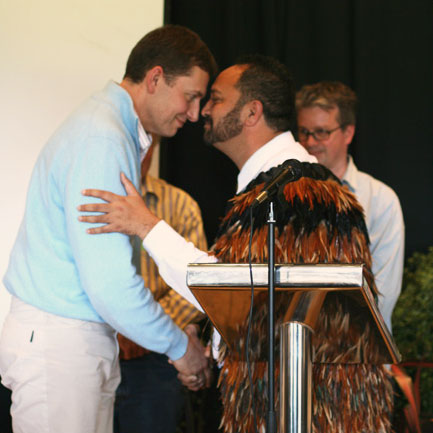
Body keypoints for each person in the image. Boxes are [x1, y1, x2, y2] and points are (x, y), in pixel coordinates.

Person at [78, 56, 394, 433]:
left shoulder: (299, 190)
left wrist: (147, 226)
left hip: (311, 412)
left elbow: (239, 293)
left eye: (215, 99)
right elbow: (253, 299)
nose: (201, 112)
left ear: (251, 112)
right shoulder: (276, 186)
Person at [0, 25, 217, 433]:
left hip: (72, 343)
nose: (192, 113)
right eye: (190, 96)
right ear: (155, 79)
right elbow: (110, 284)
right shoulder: (102, 136)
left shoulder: (107, 127)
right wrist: (181, 350)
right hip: (61, 347)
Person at [114, 139, 208, 433]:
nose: (138, 154)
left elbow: (194, 287)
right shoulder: (92, 200)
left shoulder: (180, 204)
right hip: (101, 347)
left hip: (157, 358)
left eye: (144, 147)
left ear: (153, 149)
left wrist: (141, 330)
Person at [295, 81, 405, 331]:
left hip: (359, 353)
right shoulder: (287, 196)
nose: (310, 142)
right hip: (295, 348)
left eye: (321, 132)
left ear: (348, 133)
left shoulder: (379, 199)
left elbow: (383, 293)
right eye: (304, 132)